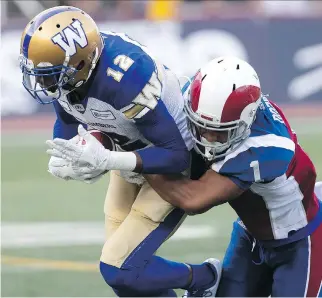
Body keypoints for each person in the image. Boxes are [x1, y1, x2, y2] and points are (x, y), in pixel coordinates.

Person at [19, 5, 221, 297]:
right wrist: (66, 155)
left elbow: (174, 153)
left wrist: (108, 160)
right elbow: (67, 118)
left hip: (176, 162)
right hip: (130, 153)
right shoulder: (72, 74)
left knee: (118, 268)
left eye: (50, 74)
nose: (43, 82)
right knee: (125, 279)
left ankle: (205, 278)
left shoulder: (124, 76)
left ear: (79, 64)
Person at [143, 56, 322, 297]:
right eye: (201, 126)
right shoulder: (201, 102)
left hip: (299, 243)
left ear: (245, 123)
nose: (205, 137)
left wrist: (138, 160)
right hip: (249, 233)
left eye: (218, 133)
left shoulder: (267, 146)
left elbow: (193, 200)